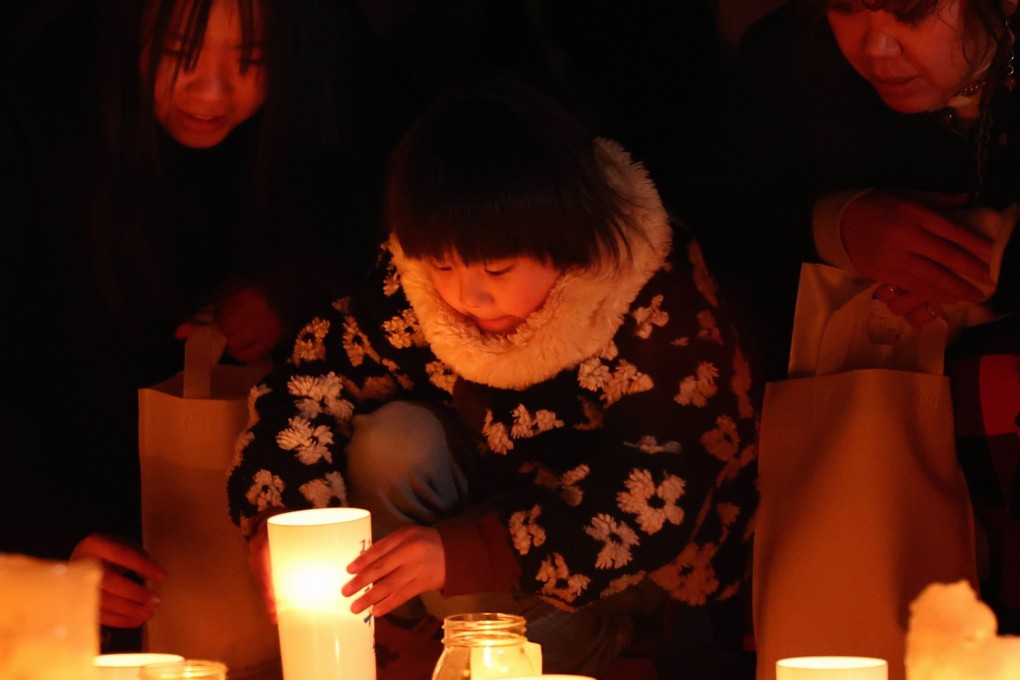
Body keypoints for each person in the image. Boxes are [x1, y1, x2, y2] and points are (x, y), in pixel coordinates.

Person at [227, 79, 759, 677]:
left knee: (489, 624)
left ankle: (547, 643)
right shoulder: (419, 286)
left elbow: (660, 484)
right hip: (474, 534)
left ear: (569, 237)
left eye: (498, 269)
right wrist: (282, 518)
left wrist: (468, 555)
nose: (467, 295)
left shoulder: (657, 302)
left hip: (628, 578)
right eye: (444, 265)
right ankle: (424, 636)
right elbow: (310, 379)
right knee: (391, 441)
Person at [0, 0, 417, 648]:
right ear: (126, 38)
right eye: (178, 56)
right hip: (67, 494)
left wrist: (296, 289)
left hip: (261, 497)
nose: (211, 91)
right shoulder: (42, 135)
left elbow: (391, 255)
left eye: (250, 62)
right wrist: (50, 537)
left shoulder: (330, 125)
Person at [700, 0, 1019, 632]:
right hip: (853, 437)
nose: (875, 46)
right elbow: (714, 220)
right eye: (846, 7)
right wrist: (837, 226)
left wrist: (988, 260)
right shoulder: (793, 67)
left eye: (910, 13)